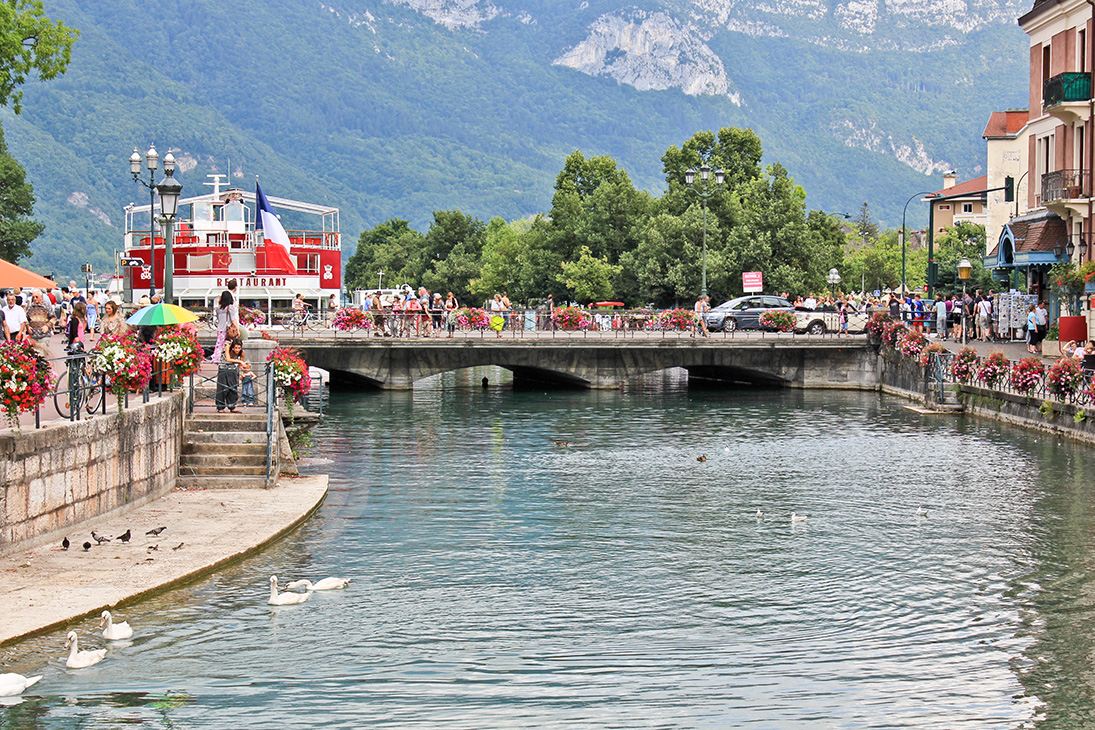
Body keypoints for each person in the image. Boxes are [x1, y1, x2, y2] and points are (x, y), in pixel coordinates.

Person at [216, 338, 245, 413]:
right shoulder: (227, 347)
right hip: (224, 368)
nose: (237, 350)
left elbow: (241, 364)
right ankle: (220, 407)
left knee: (233, 388)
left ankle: (232, 406)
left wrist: (244, 368)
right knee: (222, 388)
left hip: (233, 370)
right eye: (236, 348)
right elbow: (228, 359)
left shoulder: (242, 352)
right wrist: (240, 362)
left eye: (239, 348)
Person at [212, 283, 239, 362]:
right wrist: (237, 329)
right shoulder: (230, 307)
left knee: (219, 344)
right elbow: (233, 319)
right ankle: (226, 358)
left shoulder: (219, 308)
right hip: (228, 329)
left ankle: (216, 358)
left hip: (220, 328)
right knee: (230, 344)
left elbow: (217, 318)